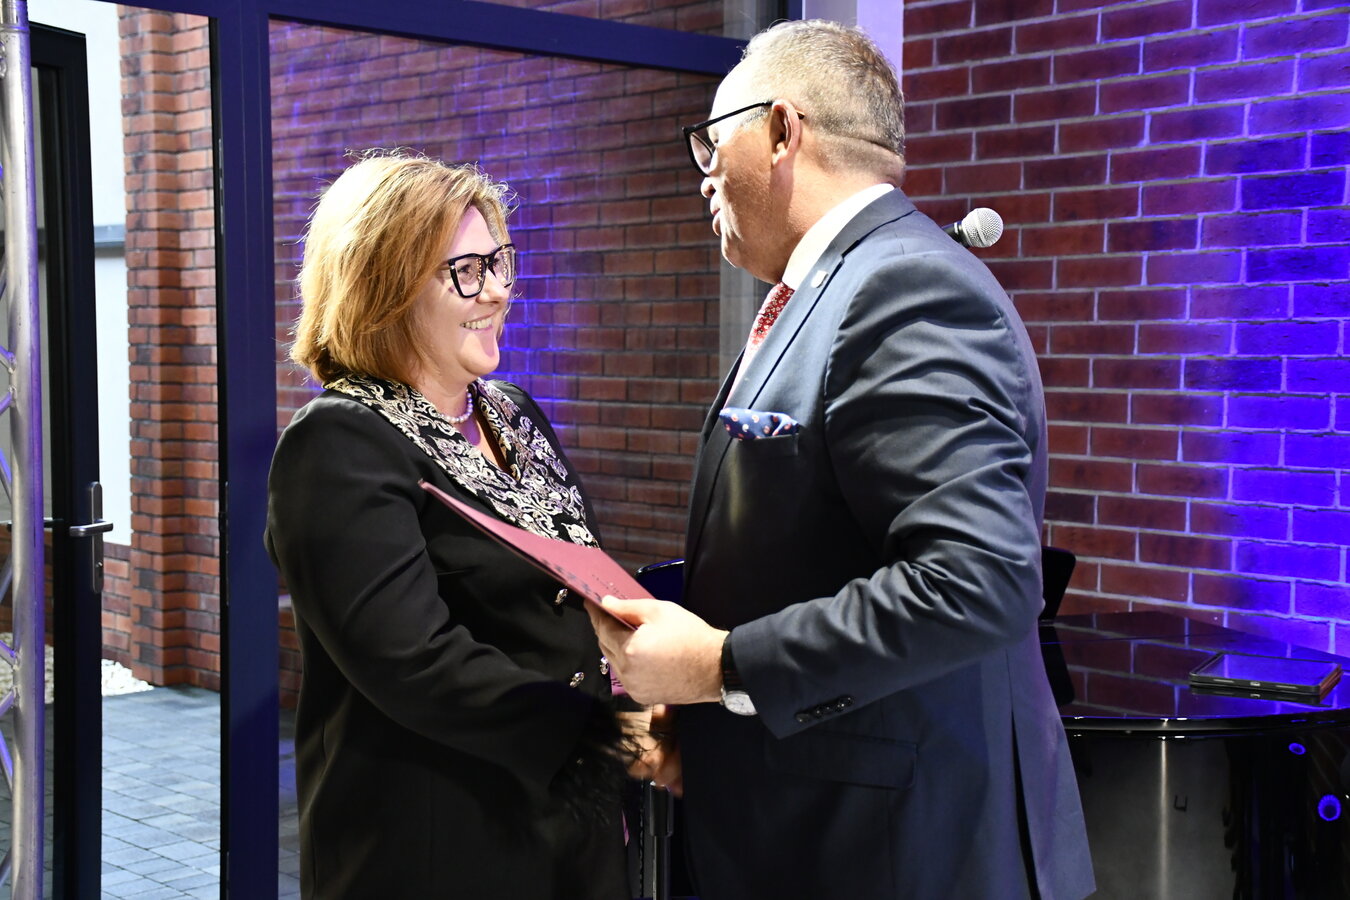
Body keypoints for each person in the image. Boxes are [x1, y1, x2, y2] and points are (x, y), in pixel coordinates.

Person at [589, 21, 1095, 900]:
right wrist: (711, 715)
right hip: (820, 832)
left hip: (897, 856)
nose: (704, 174)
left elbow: (976, 581)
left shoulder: (900, 285)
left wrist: (720, 666)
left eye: (713, 143)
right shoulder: (829, 289)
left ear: (783, 130)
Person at [266, 152, 664, 898]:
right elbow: (415, 662)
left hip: (565, 825)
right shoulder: (338, 442)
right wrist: (601, 738)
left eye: (499, 262)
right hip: (436, 844)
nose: (500, 291)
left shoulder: (512, 410)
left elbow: (570, 588)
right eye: (467, 271)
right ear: (384, 288)